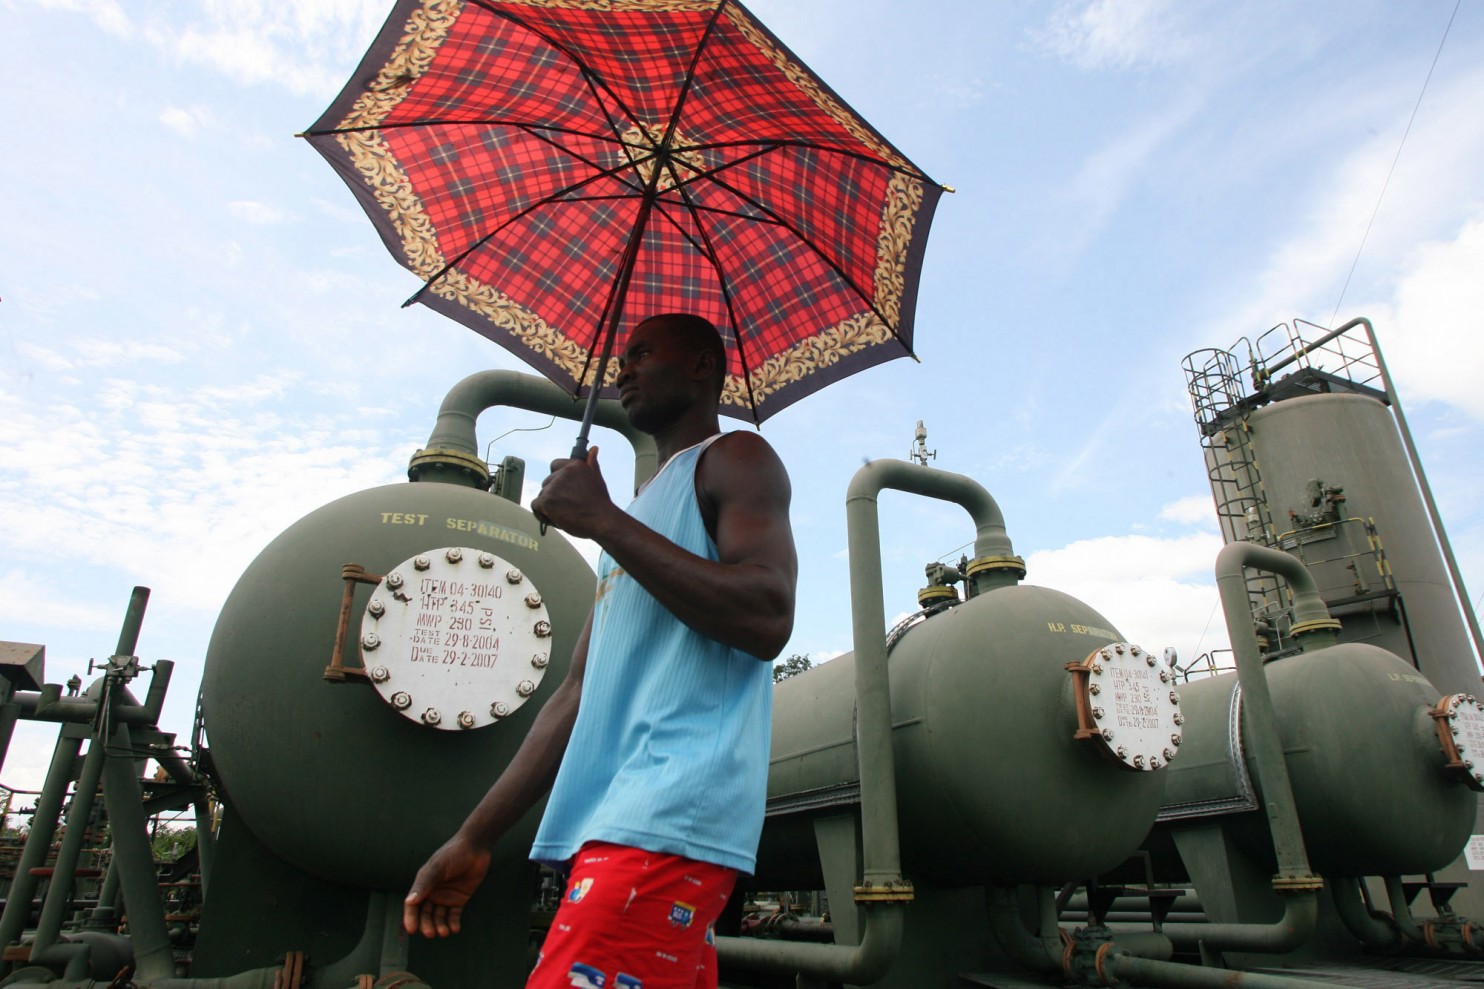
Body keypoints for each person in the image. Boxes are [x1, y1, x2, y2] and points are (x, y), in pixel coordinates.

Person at [403, 313, 797, 989]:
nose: (623, 370)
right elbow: (575, 693)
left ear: (703, 365)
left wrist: (602, 521)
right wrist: (474, 837)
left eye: (643, 352)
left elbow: (768, 616)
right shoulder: (641, 511)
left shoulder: (737, 459)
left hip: (668, 813)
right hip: (617, 820)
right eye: (621, 357)